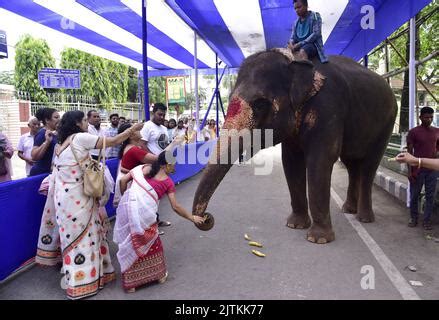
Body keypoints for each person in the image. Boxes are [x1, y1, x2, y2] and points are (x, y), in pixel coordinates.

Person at [41, 110, 143, 300]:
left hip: (64, 201)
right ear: (78, 124)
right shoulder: (79, 138)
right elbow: (112, 142)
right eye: (85, 120)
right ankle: (84, 283)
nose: (88, 123)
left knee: (72, 240)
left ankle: (77, 280)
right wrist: (133, 130)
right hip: (79, 199)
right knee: (85, 239)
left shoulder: (60, 145)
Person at [113, 151, 205, 293]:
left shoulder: (142, 169)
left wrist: (126, 200)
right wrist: (192, 218)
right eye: (173, 165)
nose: (174, 168)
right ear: (165, 165)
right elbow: (175, 207)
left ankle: (131, 284)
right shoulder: (168, 182)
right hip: (147, 217)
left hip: (130, 214)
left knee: (132, 243)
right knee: (152, 243)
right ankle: (158, 276)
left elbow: (123, 181)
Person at [404, 107, 439, 230]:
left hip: (432, 170)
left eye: (431, 117)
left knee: (430, 196)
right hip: (417, 168)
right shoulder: (413, 132)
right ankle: (413, 218)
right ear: (420, 117)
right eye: (426, 117)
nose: (429, 120)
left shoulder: (437, 131)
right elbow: (409, 153)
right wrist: (409, 172)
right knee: (414, 195)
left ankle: (426, 221)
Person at [140, 103, 173, 229]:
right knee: (150, 196)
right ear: (153, 113)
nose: (162, 117)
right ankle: (150, 226)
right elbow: (142, 145)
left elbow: (166, 146)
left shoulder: (164, 128)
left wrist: (169, 161)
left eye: (164, 114)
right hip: (152, 166)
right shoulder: (147, 126)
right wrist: (154, 158)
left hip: (162, 166)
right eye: (159, 114)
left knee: (157, 197)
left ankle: (156, 221)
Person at [29, 108, 60, 176]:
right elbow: (34, 156)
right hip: (40, 174)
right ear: (47, 120)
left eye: (59, 117)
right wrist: (47, 142)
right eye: (56, 117)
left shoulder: (56, 133)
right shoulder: (42, 134)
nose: (59, 120)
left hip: (50, 173)